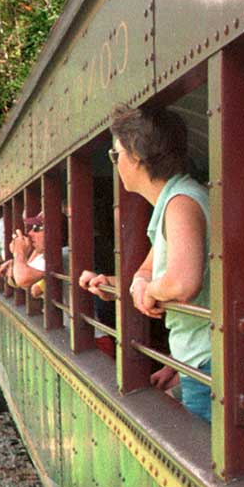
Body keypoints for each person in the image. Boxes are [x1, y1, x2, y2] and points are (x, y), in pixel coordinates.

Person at [79, 106, 210, 419]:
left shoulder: (181, 203)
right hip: (195, 358)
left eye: (116, 154)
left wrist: (149, 289)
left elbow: (181, 282)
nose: (117, 163)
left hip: (207, 363)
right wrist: (128, 285)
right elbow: (149, 270)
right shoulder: (174, 201)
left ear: (136, 156)